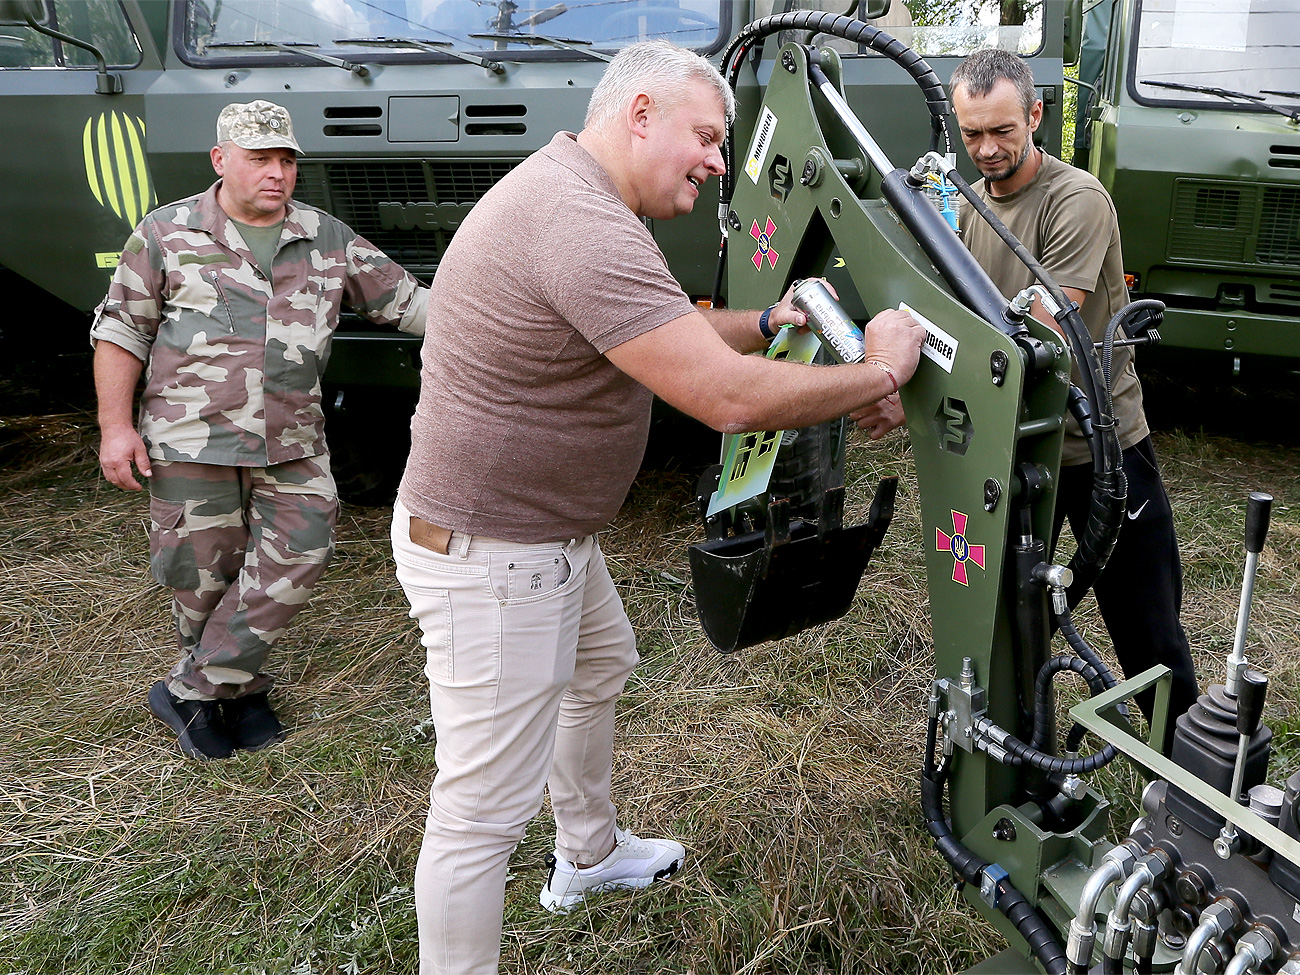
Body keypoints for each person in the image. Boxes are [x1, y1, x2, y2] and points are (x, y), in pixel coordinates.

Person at [391, 40, 927, 975]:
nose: (721, 162)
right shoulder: (576, 218)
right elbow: (726, 397)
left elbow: (663, 327)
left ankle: (588, 854)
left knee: (601, 662)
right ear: (640, 113)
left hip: (543, 532)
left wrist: (770, 321)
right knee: (480, 814)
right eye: (709, 137)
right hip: (497, 549)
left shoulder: (580, 195)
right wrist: (879, 368)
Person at [92, 100, 429, 761]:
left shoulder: (325, 235)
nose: (277, 173)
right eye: (260, 159)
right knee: (200, 577)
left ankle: (192, 689)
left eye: (286, 160)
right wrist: (113, 427)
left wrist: (508, 321)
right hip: (191, 437)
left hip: (293, 438)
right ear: (221, 160)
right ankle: (235, 694)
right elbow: (121, 329)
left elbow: (411, 303)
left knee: (301, 549)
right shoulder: (168, 231)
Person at [947, 48, 1199, 730]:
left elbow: (1041, 324)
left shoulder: (1076, 199)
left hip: (1099, 451)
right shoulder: (972, 207)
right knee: (1004, 620)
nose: (987, 148)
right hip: (1018, 448)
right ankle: (1021, 754)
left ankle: (1199, 784)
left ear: (1035, 115)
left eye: (1002, 130)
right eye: (972, 134)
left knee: (1148, 631)